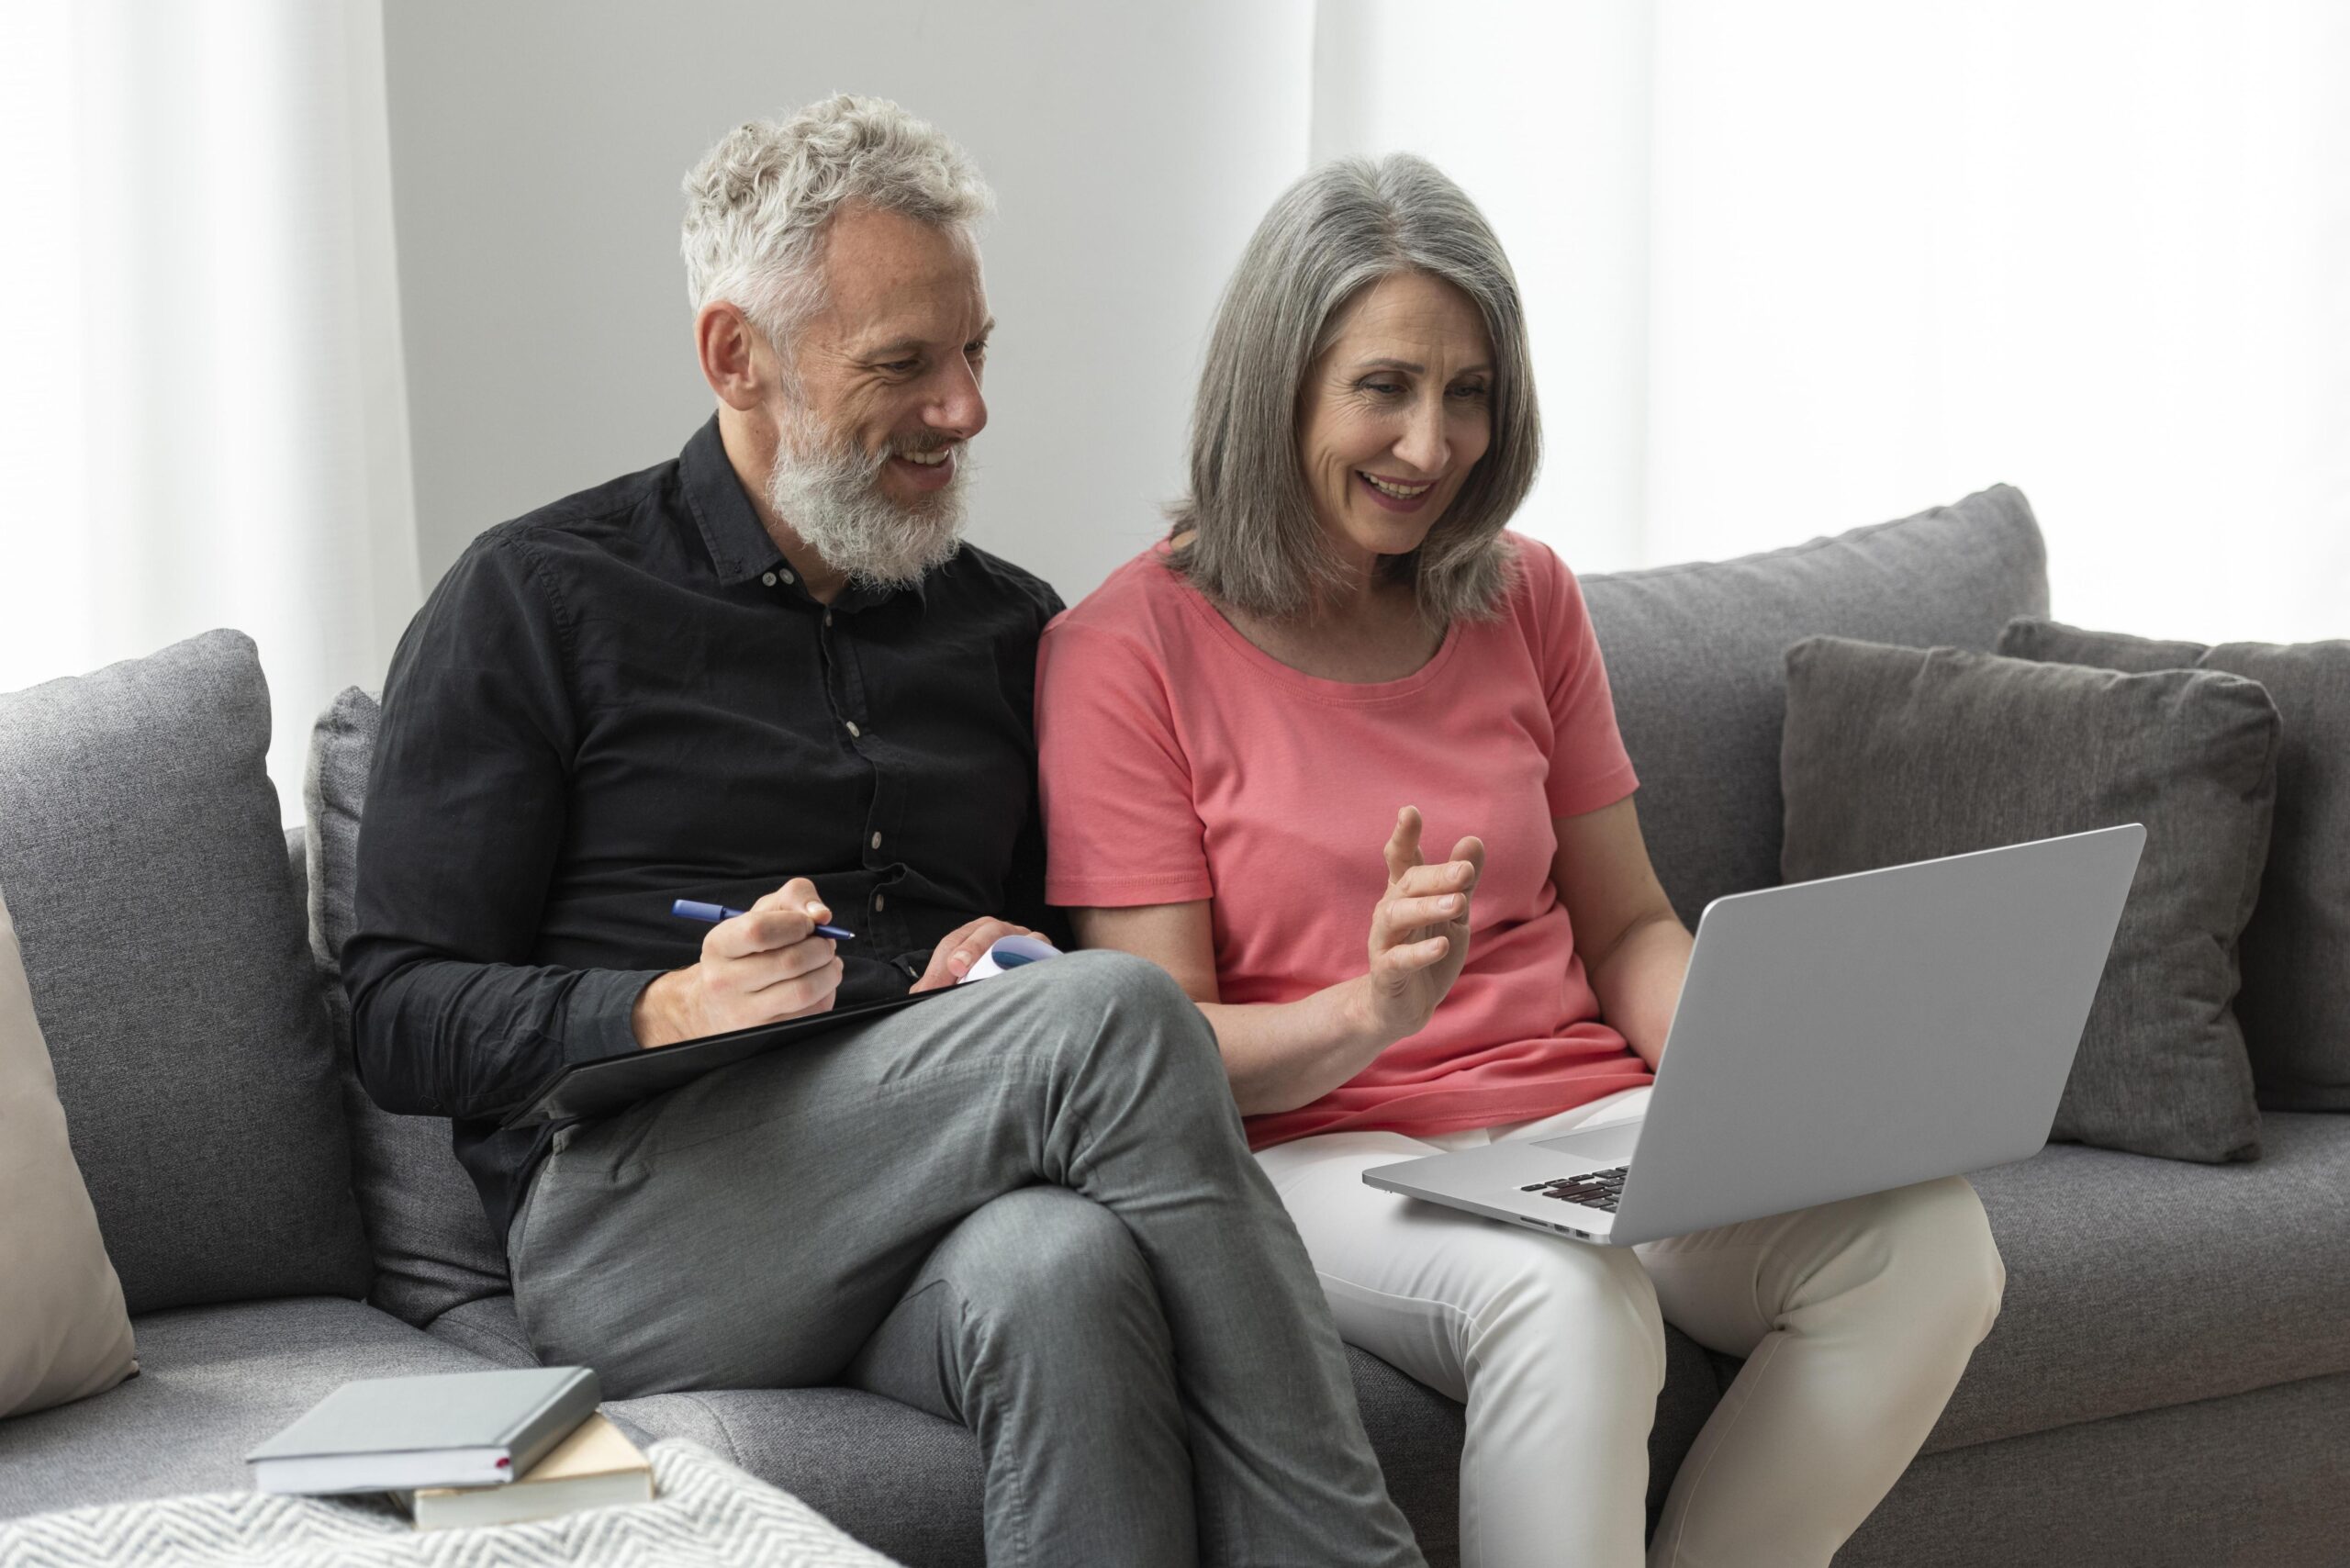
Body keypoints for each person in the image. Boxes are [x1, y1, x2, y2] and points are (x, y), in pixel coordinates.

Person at [344, 96, 1425, 1568]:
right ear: (739, 356)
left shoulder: (1003, 627)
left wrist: (1004, 962)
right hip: (645, 1225)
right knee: (1107, 1021)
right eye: (904, 365)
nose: (965, 410)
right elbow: (397, 1012)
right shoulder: (536, 600)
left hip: (938, 1189)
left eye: (976, 352)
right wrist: (664, 1004)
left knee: (1062, 1267)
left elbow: (1046, 990)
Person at [1035, 153, 2009, 1568]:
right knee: (1570, 1296)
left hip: (1574, 1126)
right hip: (1326, 1157)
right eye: (1385, 386)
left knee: (1925, 1247)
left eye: (1469, 392)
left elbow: (1626, 933)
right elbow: (1153, 1043)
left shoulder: (1524, 597)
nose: (1431, 445)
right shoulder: (1124, 649)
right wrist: (1368, 1009)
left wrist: (1770, 1075)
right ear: (1278, 382)